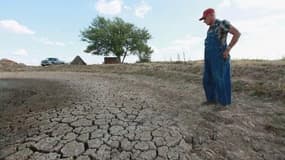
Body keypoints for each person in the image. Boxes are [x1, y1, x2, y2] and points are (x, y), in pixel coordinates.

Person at [199, 8, 241, 106]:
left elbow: (237, 33)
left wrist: (228, 49)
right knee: (207, 79)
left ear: (211, 15)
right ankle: (211, 100)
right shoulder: (210, 29)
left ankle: (223, 103)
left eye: (205, 18)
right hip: (209, 58)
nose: (204, 21)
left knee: (220, 79)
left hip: (219, 57)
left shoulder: (222, 24)